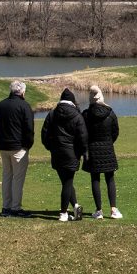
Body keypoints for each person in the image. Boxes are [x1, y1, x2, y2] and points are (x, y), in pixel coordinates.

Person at [41, 87, 89, 222]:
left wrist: (50, 147)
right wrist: (82, 152)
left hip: (57, 153)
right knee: (67, 182)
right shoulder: (77, 115)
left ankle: (76, 206)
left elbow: (44, 134)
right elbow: (83, 137)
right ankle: (63, 213)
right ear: (72, 101)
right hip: (72, 153)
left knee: (66, 181)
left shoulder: (52, 113)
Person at [0, 80, 34, 218]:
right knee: (17, 179)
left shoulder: (1, 105)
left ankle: (6, 207)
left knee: (7, 176)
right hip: (18, 147)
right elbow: (29, 129)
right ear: (22, 92)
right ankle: (15, 208)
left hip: (3, 146)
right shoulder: (24, 106)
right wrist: (28, 145)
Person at [81, 85, 123, 220]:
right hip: (108, 149)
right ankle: (113, 210)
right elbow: (115, 132)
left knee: (95, 179)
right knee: (110, 178)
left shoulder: (86, 114)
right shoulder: (110, 113)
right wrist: (109, 142)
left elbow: (83, 134)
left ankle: (99, 211)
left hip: (93, 150)